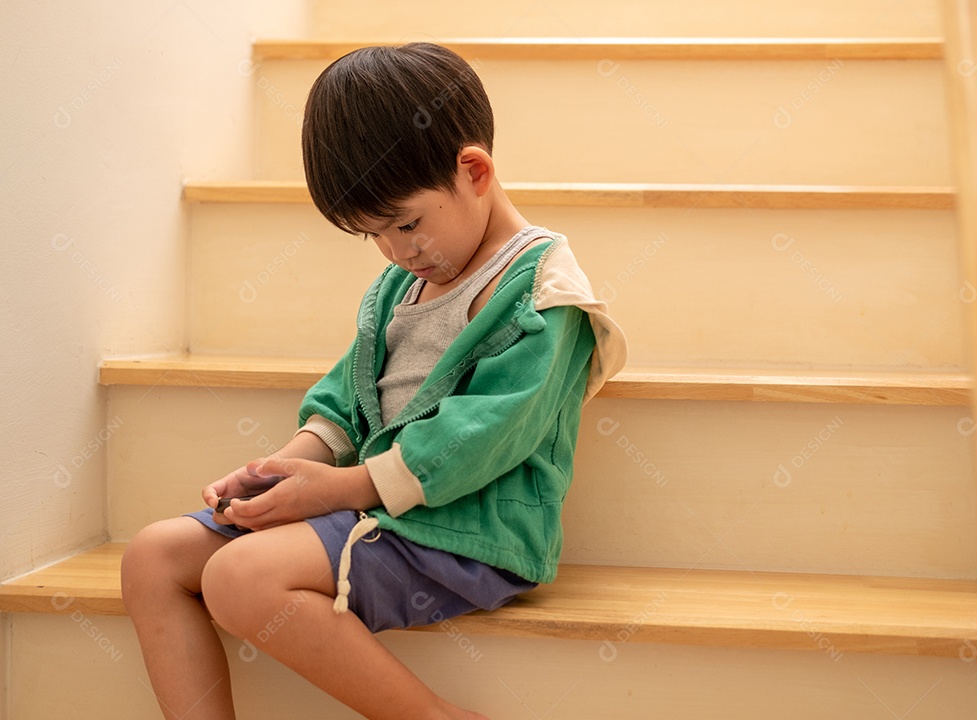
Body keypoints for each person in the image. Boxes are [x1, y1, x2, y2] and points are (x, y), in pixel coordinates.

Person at [121, 42, 627, 720]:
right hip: (376, 510)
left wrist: (344, 486)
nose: (396, 252)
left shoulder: (543, 293)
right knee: (152, 556)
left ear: (474, 171)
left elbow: (486, 435)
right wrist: (285, 468)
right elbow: (346, 395)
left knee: (238, 578)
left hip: (465, 533)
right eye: (373, 237)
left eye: (407, 224)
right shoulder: (404, 282)